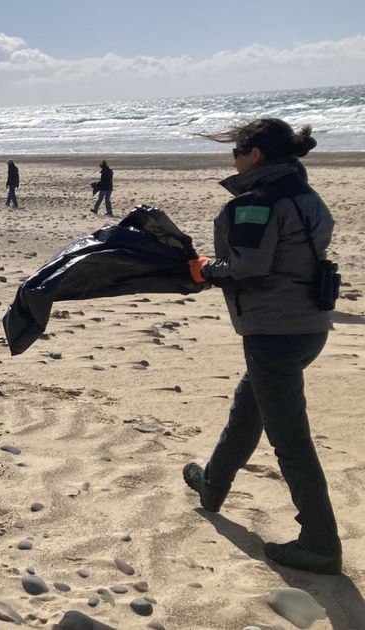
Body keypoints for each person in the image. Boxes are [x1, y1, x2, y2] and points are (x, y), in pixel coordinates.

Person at [182, 118, 340, 574]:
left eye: (236, 151)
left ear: (254, 155)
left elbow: (248, 264)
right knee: (248, 406)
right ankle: (212, 484)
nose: (232, 159)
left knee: (290, 439)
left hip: (274, 331)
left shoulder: (258, 202)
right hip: (310, 325)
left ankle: (320, 542)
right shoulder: (307, 196)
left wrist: (205, 268)